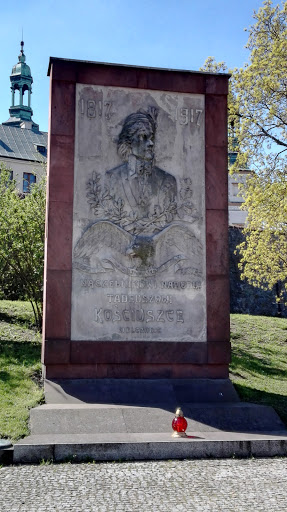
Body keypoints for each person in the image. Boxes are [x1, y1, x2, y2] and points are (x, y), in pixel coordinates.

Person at [105, 107, 177, 236]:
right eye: (143, 137)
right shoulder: (111, 179)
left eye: (151, 137)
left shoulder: (168, 181)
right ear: (128, 142)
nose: (150, 143)